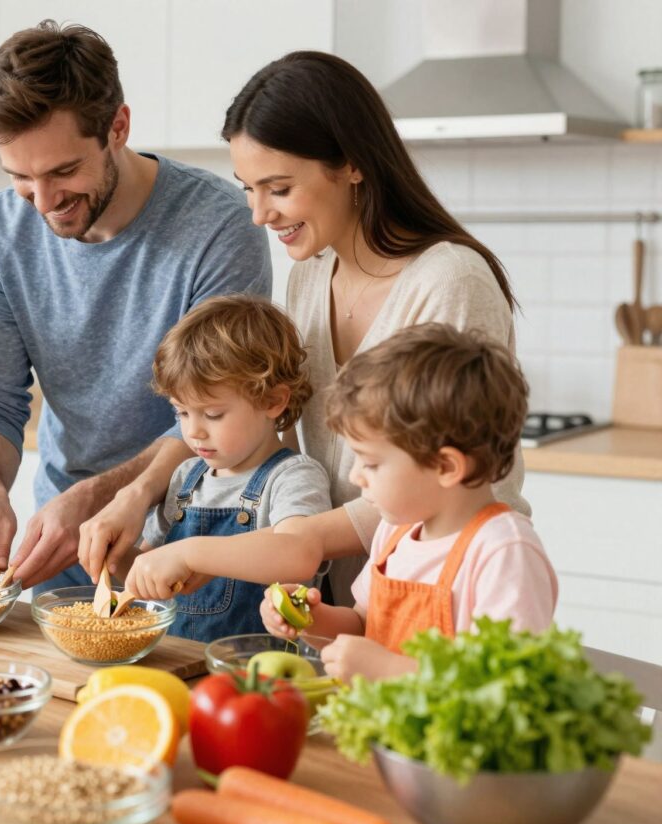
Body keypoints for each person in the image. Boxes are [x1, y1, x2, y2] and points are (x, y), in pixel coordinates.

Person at [80, 50, 528, 606]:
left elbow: (448, 483)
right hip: (342, 602)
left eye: (279, 188)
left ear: (353, 164)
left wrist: (284, 544)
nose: (259, 215)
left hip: (445, 588)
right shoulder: (311, 277)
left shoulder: (450, 282)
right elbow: (281, 450)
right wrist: (156, 504)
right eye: (248, 188)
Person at [0, 20, 271, 592]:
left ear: (118, 127)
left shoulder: (218, 225)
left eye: (63, 171)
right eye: (20, 177)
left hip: (195, 546)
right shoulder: (0, 231)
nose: (43, 203)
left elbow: (221, 408)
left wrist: (105, 495)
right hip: (59, 545)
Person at [260, 324, 556, 681]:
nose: (356, 476)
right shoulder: (396, 531)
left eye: (371, 463)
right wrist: (310, 619)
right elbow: (361, 625)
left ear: (446, 466)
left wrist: (387, 670)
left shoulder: (503, 551)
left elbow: (508, 684)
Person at [119, 296, 330, 641]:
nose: (193, 432)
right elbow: (149, 577)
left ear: (273, 401)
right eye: (181, 413)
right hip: (177, 668)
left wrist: (191, 554)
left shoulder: (292, 477)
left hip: (255, 677)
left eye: (213, 414)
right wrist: (117, 560)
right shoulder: (186, 477)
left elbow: (298, 554)